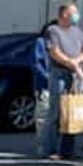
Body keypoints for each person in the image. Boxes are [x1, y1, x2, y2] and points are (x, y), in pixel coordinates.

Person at [46, 2, 83, 161]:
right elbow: (55, 52)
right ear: (64, 14)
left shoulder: (78, 32)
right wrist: (71, 63)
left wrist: (78, 62)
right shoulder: (53, 31)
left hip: (75, 76)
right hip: (60, 74)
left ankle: (68, 150)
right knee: (56, 113)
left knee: (72, 113)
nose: (77, 15)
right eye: (74, 12)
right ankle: (52, 149)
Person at [31, 22, 54, 157]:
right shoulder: (40, 43)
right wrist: (47, 78)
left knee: (55, 118)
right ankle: (42, 147)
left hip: (58, 85)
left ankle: (53, 146)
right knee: (43, 117)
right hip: (44, 86)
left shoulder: (58, 44)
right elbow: (36, 63)